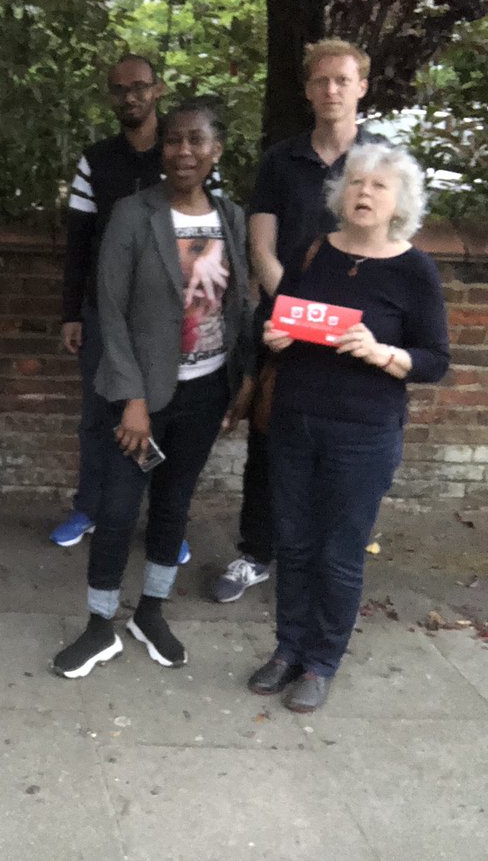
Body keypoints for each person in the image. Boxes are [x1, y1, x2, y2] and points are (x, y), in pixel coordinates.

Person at [53, 100, 253, 679]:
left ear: (216, 150)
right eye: (172, 140)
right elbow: (109, 311)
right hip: (139, 396)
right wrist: (133, 399)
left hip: (206, 390)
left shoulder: (231, 218)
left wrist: (242, 381)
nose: (182, 151)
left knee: (173, 505)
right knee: (116, 509)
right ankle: (99, 625)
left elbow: (240, 306)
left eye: (196, 141)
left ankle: (152, 613)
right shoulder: (132, 215)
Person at [246, 143, 449, 712]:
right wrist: (274, 336)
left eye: (379, 186)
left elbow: (435, 360)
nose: (364, 192)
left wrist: (383, 352)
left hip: (364, 432)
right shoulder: (314, 253)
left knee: (340, 552)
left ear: (399, 202)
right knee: (294, 542)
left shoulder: (414, 269)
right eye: (356, 182)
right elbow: (277, 317)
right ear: (339, 194)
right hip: (295, 420)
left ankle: (321, 661)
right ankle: (287, 649)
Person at [214, 38, 385, 603]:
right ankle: (255, 554)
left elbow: (394, 247)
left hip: (357, 333)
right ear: (308, 89)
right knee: (269, 442)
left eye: (342, 79)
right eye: (320, 81)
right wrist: (302, 313)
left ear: (362, 86)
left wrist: (338, 321)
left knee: (337, 451)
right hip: (285, 330)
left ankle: (317, 559)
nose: (331, 90)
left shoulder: (383, 160)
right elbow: (260, 246)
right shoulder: (280, 160)